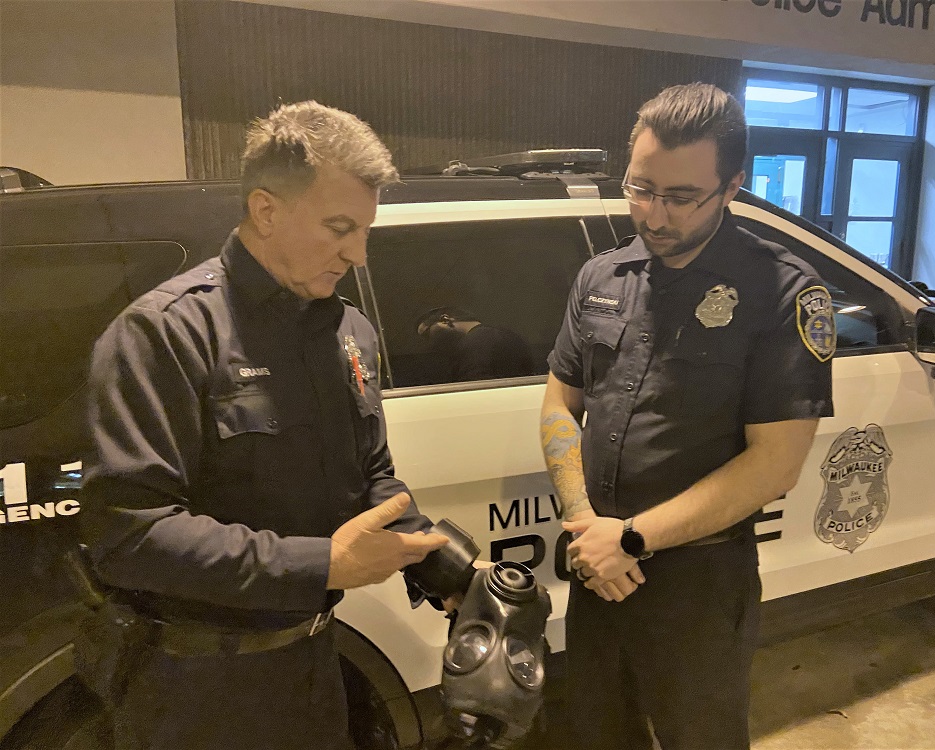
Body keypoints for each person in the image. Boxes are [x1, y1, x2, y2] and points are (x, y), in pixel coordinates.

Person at [77, 101, 452, 750]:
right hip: (196, 687)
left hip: (315, 668)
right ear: (266, 209)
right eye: (339, 228)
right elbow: (131, 534)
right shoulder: (166, 332)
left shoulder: (349, 334)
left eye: (365, 230)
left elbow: (371, 473)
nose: (359, 255)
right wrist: (323, 563)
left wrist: (435, 561)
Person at [541, 82, 835, 749]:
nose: (653, 215)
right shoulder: (603, 278)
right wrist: (587, 525)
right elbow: (560, 400)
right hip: (597, 567)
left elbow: (774, 465)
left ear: (733, 185)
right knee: (595, 734)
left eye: (680, 197)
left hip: (697, 587)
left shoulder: (782, 292)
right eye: (640, 188)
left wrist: (632, 540)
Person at [416, 306, 534, 381]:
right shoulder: (504, 334)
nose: (429, 341)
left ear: (445, 320)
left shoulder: (475, 342)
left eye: (427, 333)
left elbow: (474, 384)